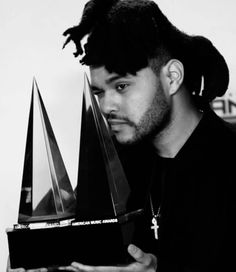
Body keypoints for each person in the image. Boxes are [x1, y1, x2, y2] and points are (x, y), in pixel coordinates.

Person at [8, 0, 236, 271]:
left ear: (172, 77)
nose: (106, 107)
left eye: (122, 85)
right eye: (99, 92)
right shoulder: (112, 168)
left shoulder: (229, 159)